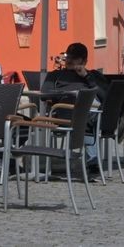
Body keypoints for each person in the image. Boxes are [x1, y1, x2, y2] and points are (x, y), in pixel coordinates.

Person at [42, 42, 109, 171]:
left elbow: (104, 95)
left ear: (84, 61)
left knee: (91, 110)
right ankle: (93, 158)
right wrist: (66, 94)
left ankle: (92, 158)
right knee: (90, 116)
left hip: (87, 112)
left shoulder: (93, 75)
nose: (69, 60)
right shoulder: (55, 76)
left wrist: (86, 76)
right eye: (68, 57)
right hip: (65, 114)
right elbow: (44, 94)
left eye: (74, 58)